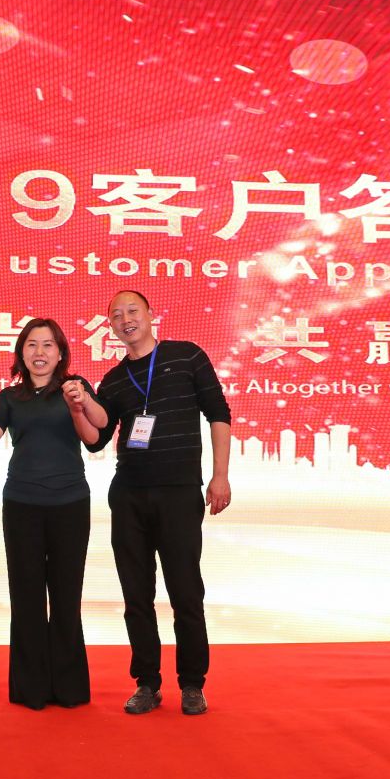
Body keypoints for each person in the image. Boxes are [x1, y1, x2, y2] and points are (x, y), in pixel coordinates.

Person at [89, 289, 232, 716]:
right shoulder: (113, 380)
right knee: (137, 595)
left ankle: (192, 683)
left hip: (179, 492)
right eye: (116, 315)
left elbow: (218, 412)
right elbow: (96, 440)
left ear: (151, 314)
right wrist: (79, 407)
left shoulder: (186, 356)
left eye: (132, 311)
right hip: (129, 495)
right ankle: (147, 683)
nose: (125, 320)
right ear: (111, 326)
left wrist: (220, 475)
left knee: (186, 592)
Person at [0, 319, 108, 709]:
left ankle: (69, 688)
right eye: (31, 344)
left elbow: (96, 433)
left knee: (66, 596)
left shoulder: (75, 386)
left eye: (48, 345)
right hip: (22, 504)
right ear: (21, 353)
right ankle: (30, 688)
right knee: (27, 597)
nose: (39, 352)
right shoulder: (11, 396)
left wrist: (79, 404)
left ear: (61, 352)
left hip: (70, 504)